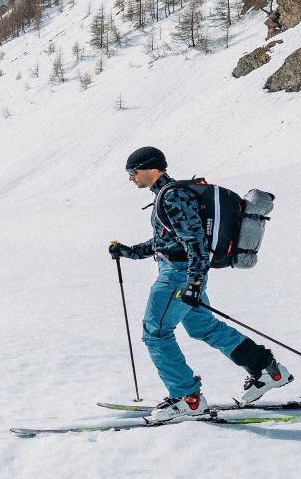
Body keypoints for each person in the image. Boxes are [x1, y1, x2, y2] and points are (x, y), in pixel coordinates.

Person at [109, 146, 291, 423]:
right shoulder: (167, 197)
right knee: (202, 326)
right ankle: (266, 370)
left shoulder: (173, 197)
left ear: (152, 168)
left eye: (133, 171)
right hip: (183, 272)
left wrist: (194, 282)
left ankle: (187, 398)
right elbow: (167, 241)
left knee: (155, 333)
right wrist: (128, 251)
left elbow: (196, 242)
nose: (131, 177)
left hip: (178, 276)